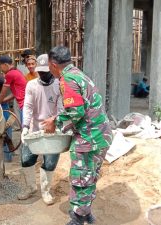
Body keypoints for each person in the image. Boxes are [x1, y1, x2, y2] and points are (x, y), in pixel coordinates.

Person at [42, 46, 113, 225]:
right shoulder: (79, 74)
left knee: (80, 178)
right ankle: (86, 212)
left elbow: (75, 112)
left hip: (88, 139)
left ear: (53, 64)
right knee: (90, 176)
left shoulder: (68, 79)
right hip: (100, 137)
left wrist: (54, 122)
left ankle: (78, 218)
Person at [18, 54, 64, 205]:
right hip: (34, 129)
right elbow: (28, 106)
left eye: (45, 71)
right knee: (26, 159)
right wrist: (25, 127)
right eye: (40, 71)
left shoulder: (58, 85)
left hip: (52, 131)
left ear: (51, 68)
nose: (42, 74)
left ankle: (45, 190)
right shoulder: (31, 85)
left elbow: (61, 108)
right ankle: (31, 187)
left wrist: (55, 121)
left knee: (49, 163)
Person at [0, 55, 27, 122]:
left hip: (24, 104)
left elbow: (3, 93)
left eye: (0, 65)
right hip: (26, 103)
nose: (0, 68)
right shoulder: (16, 71)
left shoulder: (10, 74)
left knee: (25, 129)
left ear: (5, 64)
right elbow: (14, 94)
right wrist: (3, 101)